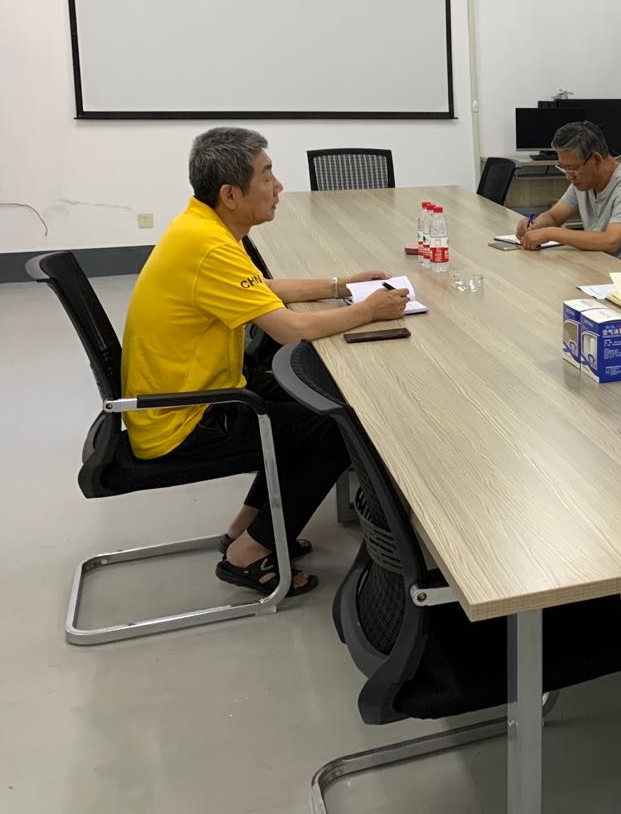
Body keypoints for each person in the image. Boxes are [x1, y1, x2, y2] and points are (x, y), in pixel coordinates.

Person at [121, 127, 411, 597]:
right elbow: (289, 330)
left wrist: (341, 284)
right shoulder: (210, 245)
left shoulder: (204, 227)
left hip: (203, 391)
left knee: (313, 401)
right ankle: (249, 554)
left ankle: (246, 528)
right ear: (230, 194)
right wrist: (368, 311)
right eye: (267, 176)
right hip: (184, 418)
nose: (278, 187)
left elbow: (262, 289)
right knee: (336, 427)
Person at [515, 120, 621, 270]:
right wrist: (535, 226)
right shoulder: (584, 181)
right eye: (563, 168)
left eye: (572, 168)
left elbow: (611, 241)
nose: (568, 176)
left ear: (596, 159)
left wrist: (551, 233)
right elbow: (554, 216)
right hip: (604, 268)